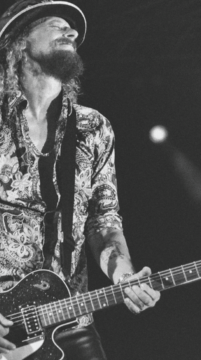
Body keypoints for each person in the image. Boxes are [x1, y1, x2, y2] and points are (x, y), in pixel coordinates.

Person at [0, 1, 160, 359]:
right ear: (20, 42)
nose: (71, 32)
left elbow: (103, 220)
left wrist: (124, 275)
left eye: (71, 29)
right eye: (57, 26)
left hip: (71, 321)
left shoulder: (93, 128)